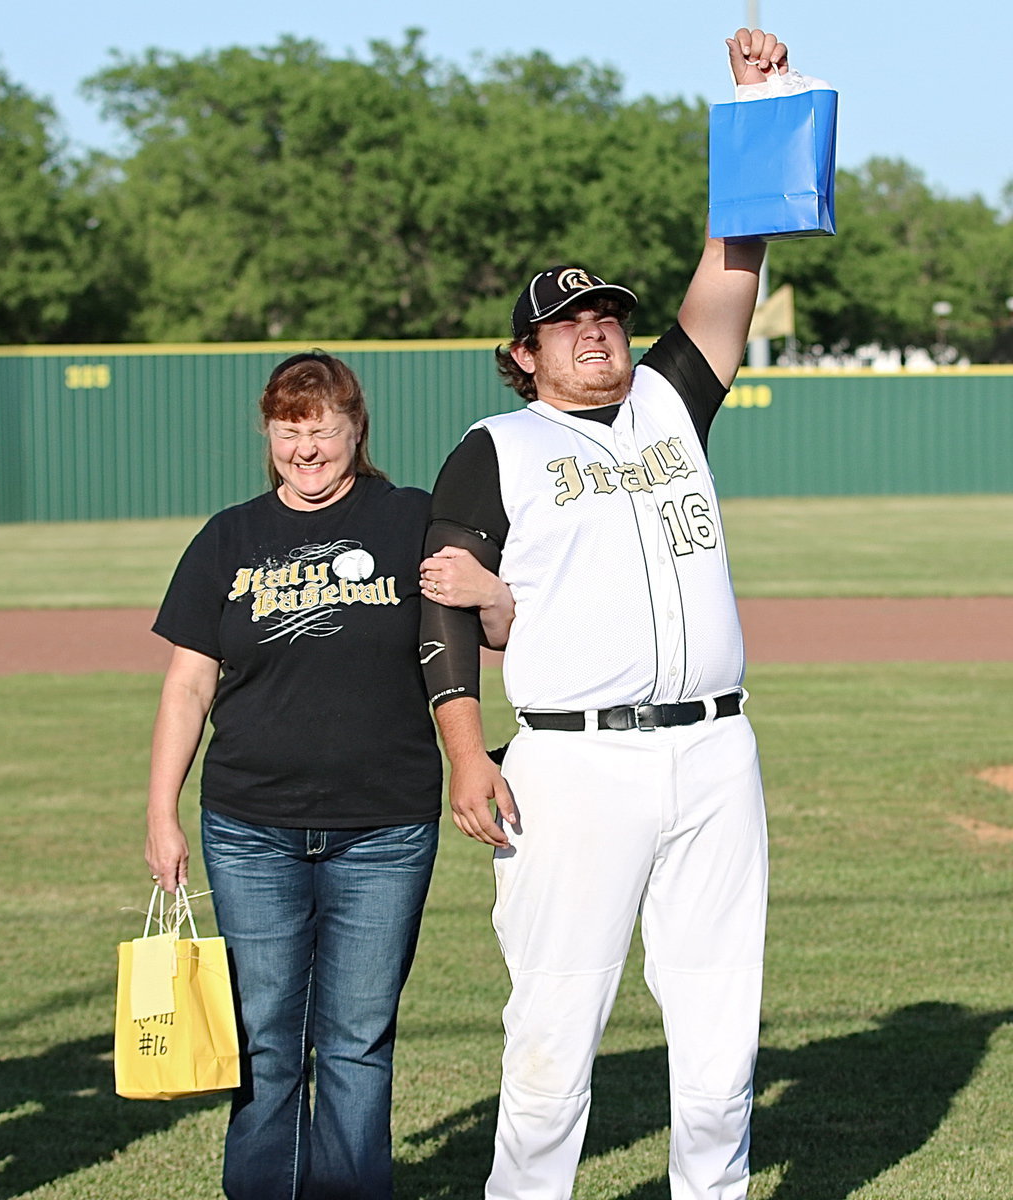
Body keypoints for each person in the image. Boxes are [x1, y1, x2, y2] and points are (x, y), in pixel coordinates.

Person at [419, 27, 797, 1200]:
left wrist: (751, 108)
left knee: (721, 1027)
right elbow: (441, 605)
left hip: (714, 750)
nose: (598, 330)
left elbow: (733, 265)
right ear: (523, 355)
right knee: (551, 1032)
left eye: (610, 317)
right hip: (574, 767)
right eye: (570, 323)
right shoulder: (495, 448)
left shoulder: (670, 408)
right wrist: (466, 750)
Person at [144, 351, 509, 1200]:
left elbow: (491, 631)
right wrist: (161, 810)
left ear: (357, 427)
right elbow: (188, 684)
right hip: (249, 826)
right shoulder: (229, 536)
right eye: (288, 431)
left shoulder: (412, 517)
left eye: (323, 430)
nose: (306, 449)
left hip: (383, 828)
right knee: (265, 1039)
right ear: (267, 434)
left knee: (355, 1040)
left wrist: (493, 590)